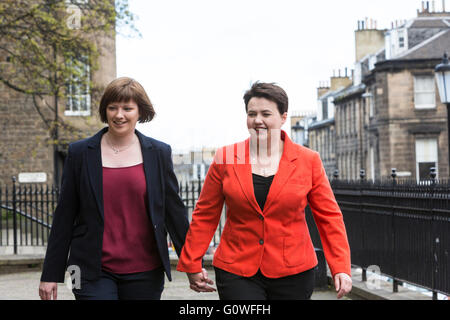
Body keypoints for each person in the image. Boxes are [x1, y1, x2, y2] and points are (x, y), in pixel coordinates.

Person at [177, 82, 352, 300]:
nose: (257, 120)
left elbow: (329, 217)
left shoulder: (309, 161)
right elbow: (205, 215)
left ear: (283, 117)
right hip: (237, 269)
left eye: (266, 114)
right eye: (252, 114)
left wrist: (341, 267)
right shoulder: (225, 158)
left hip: (294, 270)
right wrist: (193, 262)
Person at [38, 77, 189, 300]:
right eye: (112, 108)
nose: (119, 115)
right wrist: (50, 274)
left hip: (146, 270)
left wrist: (192, 264)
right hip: (87, 270)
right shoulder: (80, 153)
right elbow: (64, 215)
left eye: (127, 108)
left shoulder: (158, 152)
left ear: (140, 111)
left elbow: (173, 213)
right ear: (105, 110)